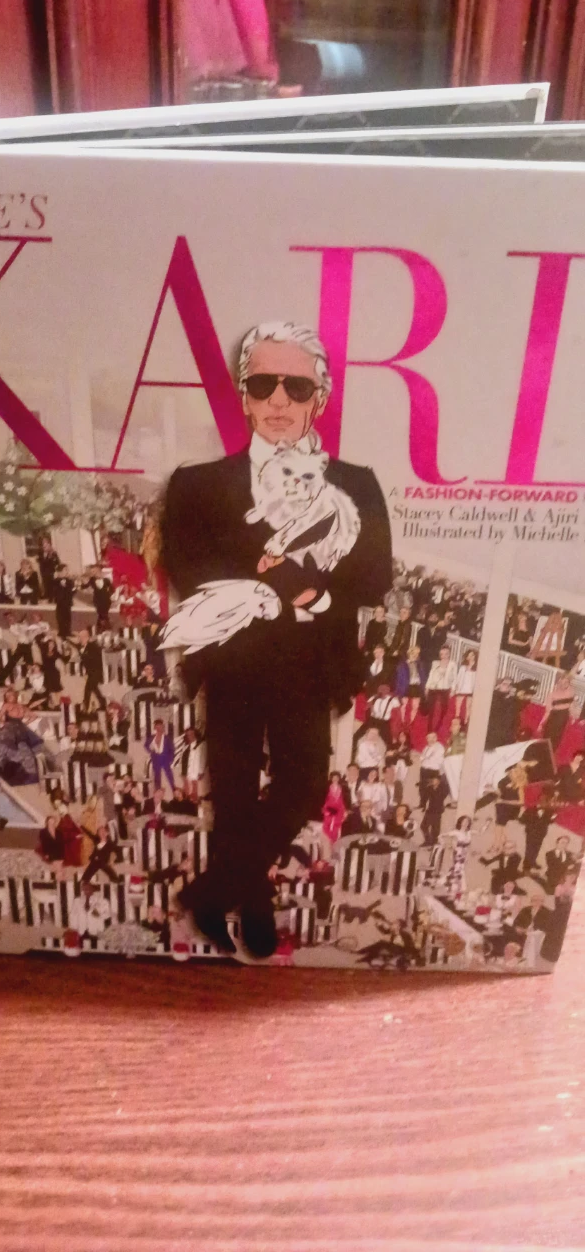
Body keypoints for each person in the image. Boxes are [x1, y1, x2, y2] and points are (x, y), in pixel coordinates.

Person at [161, 320, 391, 957]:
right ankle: (251, 906)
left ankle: (210, 893)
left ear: (321, 397)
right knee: (233, 797)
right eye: (264, 385)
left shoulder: (357, 484)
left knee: (303, 788)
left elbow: (374, 577)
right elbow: (191, 572)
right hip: (231, 660)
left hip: (311, 665)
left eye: (297, 386)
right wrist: (299, 583)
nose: (280, 400)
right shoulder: (198, 484)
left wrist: (289, 582)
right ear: (244, 396)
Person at [425, 645, 458, 731]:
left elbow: (455, 678)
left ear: (449, 654)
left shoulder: (453, 664)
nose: (444, 656)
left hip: (445, 689)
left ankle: (438, 727)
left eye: (446, 653)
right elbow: (431, 676)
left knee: (444, 709)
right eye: (442, 654)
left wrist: (453, 689)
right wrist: (427, 687)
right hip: (433, 688)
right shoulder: (435, 663)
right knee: (431, 709)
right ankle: (429, 729)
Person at [520, 791, 555, 871]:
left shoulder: (549, 811)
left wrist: (553, 817)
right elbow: (522, 820)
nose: (543, 803)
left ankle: (533, 862)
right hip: (531, 832)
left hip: (541, 833)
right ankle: (526, 866)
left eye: (545, 801)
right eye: (541, 800)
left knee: (537, 848)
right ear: (538, 801)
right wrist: (523, 816)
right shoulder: (530, 810)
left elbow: (550, 821)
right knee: (529, 849)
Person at [77, 627, 107, 711]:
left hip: (95, 672)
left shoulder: (93, 646)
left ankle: (86, 707)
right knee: (93, 689)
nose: (80, 639)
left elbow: (94, 659)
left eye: (82, 637)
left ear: (87, 637)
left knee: (88, 689)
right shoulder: (83, 647)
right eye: (80, 637)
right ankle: (102, 704)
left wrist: (84, 654)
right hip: (91, 673)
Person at [418, 731, 446, 809]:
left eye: (433, 737)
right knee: (422, 788)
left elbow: (434, 759)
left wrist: (425, 759)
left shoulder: (439, 747)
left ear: (436, 738)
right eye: (429, 738)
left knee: (432, 789)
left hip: (433, 771)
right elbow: (421, 758)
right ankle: (422, 804)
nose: (431, 739)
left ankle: (434, 807)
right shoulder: (426, 747)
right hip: (424, 770)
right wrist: (425, 759)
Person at [322, 771, 348, 843]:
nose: (335, 779)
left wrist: (345, 811)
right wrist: (325, 809)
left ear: (339, 778)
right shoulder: (327, 787)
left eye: (337, 777)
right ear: (331, 778)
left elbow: (344, 800)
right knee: (327, 824)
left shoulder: (342, 788)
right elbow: (324, 799)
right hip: (329, 807)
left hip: (339, 808)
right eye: (333, 777)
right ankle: (326, 841)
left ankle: (334, 842)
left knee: (336, 825)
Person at [85, 566, 113, 632]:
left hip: (106, 600)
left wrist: (109, 594)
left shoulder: (106, 580)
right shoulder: (92, 580)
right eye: (92, 572)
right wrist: (83, 583)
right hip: (98, 600)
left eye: (94, 571)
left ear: (99, 571)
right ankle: (104, 627)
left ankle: (101, 627)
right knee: (101, 614)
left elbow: (112, 588)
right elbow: (85, 586)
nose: (93, 573)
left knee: (104, 614)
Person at [52, 565, 76, 639]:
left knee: (67, 617)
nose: (67, 572)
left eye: (67, 570)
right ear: (59, 572)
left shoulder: (69, 581)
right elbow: (54, 592)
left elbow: (72, 591)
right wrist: (62, 587)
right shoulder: (55, 581)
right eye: (65, 570)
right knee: (61, 617)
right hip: (60, 602)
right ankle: (61, 632)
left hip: (67, 602)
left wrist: (74, 588)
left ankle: (67, 631)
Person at [454, 649, 477, 724]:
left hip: (470, 690)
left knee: (468, 706)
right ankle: (456, 719)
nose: (471, 657)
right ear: (467, 657)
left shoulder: (476, 669)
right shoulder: (463, 667)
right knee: (458, 705)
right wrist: (456, 687)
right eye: (469, 655)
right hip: (462, 689)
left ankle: (466, 721)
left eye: (472, 655)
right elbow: (458, 678)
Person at [37, 536, 62, 601]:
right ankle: (46, 594)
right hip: (43, 571)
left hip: (51, 571)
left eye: (46, 545)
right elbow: (40, 561)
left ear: (49, 545)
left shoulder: (53, 553)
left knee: (51, 584)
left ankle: (52, 596)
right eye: (43, 545)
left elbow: (57, 562)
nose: (44, 546)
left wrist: (57, 571)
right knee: (45, 583)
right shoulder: (40, 553)